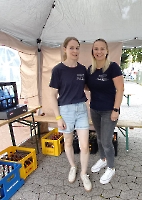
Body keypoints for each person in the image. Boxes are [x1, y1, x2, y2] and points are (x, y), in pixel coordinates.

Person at [49, 37, 92, 192]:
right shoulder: (58, 70)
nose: (75, 51)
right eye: (72, 48)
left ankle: (83, 173)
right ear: (65, 49)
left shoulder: (82, 69)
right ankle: (73, 166)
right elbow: (52, 95)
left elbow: (87, 86)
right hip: (65, 110)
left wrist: (103, 84)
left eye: (77, 48)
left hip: (81, 109)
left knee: (84, 145)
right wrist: (58, 117)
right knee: (67, 143)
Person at [86, 38, 124, 184]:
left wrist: (116, 109)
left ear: (107, 51)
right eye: (96, 49)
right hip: (95, 109)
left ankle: (111, 167)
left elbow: (120, 89)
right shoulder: (91, 69)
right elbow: (89, 87)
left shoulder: (113, 67)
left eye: (102, 48)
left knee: (107, 141)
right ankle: (102, 159)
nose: (99, 51)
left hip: (109, 110)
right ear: (93, 51)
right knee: (100, 138)